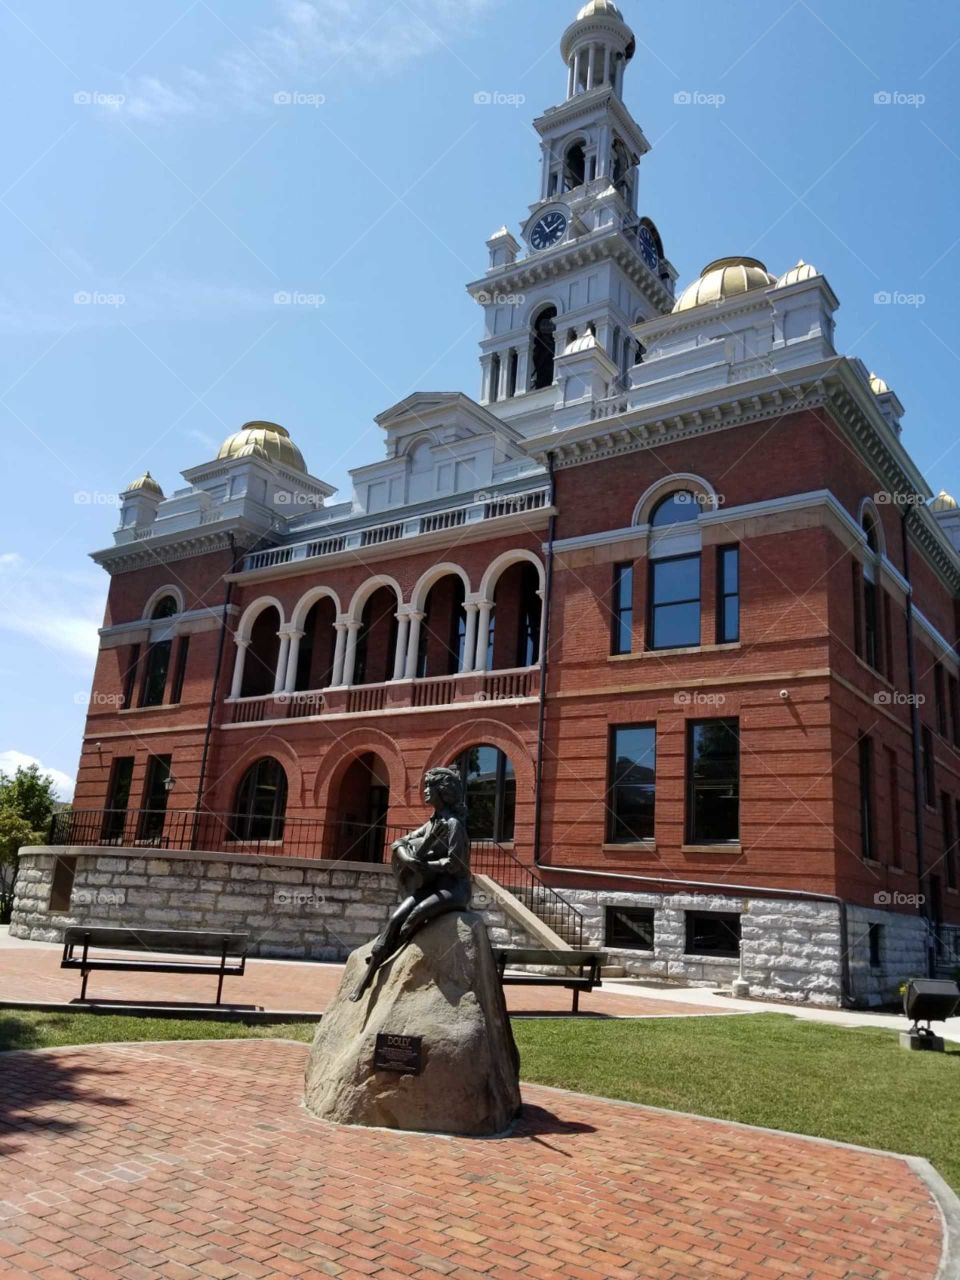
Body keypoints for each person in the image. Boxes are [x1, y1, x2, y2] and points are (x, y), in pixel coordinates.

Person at [349, 765, 471, 1002]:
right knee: (396, 919)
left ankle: (385, 955)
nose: (425, 790)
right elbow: (400, 842)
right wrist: (409, 859)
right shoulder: (432, 823)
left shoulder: (453, 824)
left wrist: (427, 866)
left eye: (430, 786)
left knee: (414, 917)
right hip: (431, 884)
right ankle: (369, 974)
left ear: (442, 790)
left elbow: (456, 864)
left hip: (453, 888)